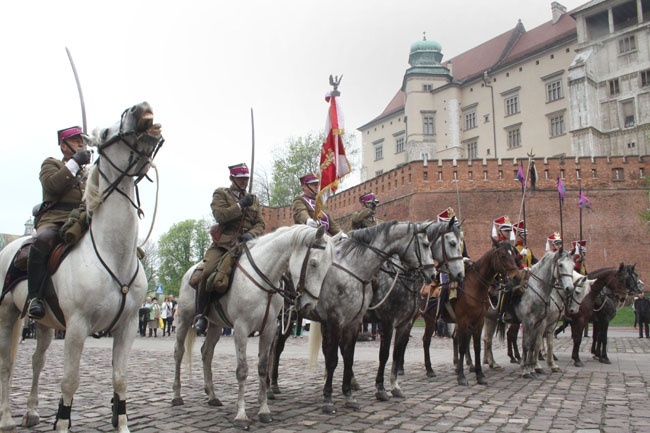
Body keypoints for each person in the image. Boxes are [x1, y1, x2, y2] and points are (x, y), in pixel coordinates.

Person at [27, 126, 92, 320]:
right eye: (75, 140)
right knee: (43, 240)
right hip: (55, 218)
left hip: (83, 219)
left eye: (82, 140)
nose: (81, 143)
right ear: (63, 146)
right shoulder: (51, 164)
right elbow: (52, 186)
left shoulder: (87, 173)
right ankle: (35, 297)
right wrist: (75, 163)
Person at [193, 163, 265, 333]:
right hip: (224, 244)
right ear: (232, 179)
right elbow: (220, 215)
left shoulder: (253, 199)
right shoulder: (221, 194)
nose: (244, 182)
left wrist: (252, 234)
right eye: (240, 179)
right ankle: (201, 314)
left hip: (248, 245)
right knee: (208, 271)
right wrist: (240, 205)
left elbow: (260, 223)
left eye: (246, 179)